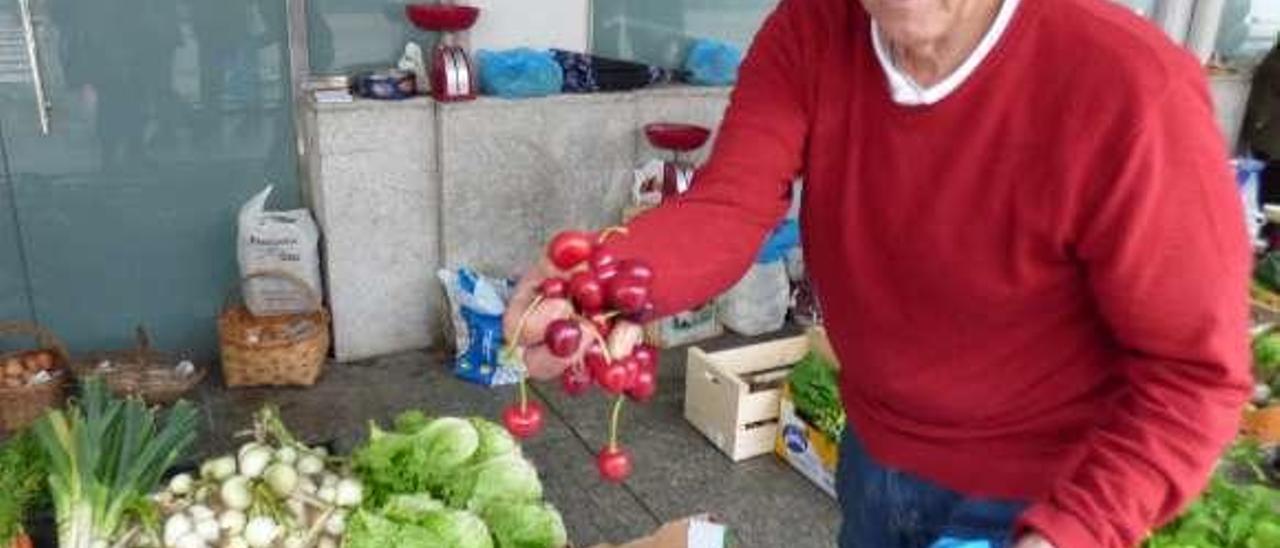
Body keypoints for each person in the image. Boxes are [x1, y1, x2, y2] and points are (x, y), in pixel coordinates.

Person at [504, 0, 1251, 547]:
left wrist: (1074, 530)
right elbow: (730, 206)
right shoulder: (811, 30)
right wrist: (601, 282)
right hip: (874, 457)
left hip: (1044, 488)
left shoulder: (1130, 87)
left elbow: (1193, 376)